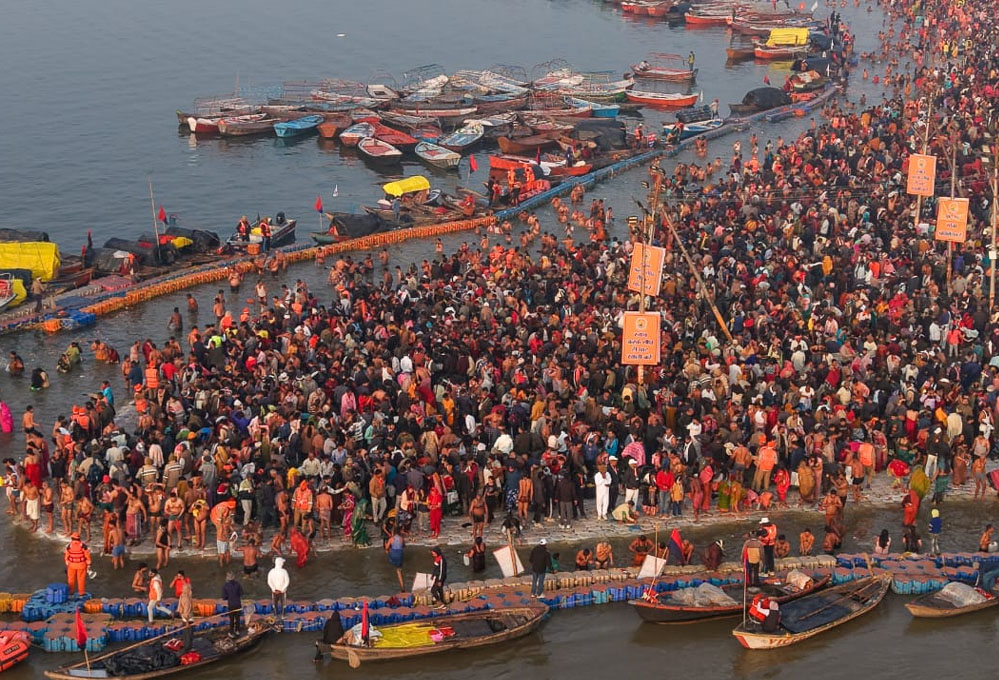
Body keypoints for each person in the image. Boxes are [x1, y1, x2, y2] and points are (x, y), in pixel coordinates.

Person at [64, 532, 92, 596]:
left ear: (72, 538)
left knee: (71, 579)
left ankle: (71, 593)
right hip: (81, 565)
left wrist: (67, 564)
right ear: (79, 539)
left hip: (71, 565)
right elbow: (87, 556)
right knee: (81, 579)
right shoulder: (83, 546)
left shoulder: (69, 546)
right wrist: (89, 564)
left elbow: (66, 557)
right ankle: (81, 593)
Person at [267, 557, 290, 621]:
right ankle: (283, 615)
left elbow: (269, 581)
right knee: (283, 604)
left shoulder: (271, 571)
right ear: (281, 563)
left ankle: (275, 615)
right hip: (282, 591)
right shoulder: (284, 571)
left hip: (274, 591)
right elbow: (287, 581)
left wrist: (273, 589)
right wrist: (282, 589)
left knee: (274, 604)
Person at [221, 572, 243, 636]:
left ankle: (231, 632)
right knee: (238, 618)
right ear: (234, 577)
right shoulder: (238, 584)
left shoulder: (225, 586)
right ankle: (237, 630)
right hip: (238, 604)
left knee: (232, 619)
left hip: (231, 605)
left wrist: (229, 596)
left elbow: (224, 597)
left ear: (227, 578)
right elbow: (241, 593)